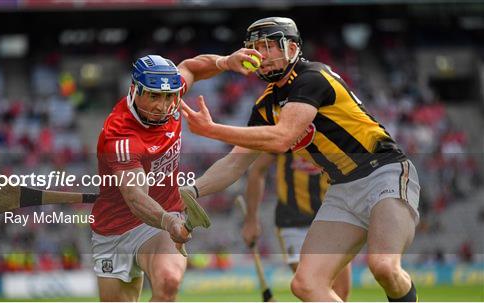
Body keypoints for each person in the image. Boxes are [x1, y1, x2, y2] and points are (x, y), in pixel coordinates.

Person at [180, 17, 420, 302]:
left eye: (269, 46)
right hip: (342, 189)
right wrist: (193, 191)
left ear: (292, 48)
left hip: (383, 172)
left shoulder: (312, 78)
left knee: (383, 266)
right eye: (256, 48)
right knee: (306, 284)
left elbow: (283, 137)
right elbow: (236, 163)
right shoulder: (266, 106)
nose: (261, 55)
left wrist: (212, 130)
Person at [91, 54, 255, 301]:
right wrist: (169, 222)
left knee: (168, 282)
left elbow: (189, 67)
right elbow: (135, 197)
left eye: (170, 96)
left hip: (159, 223)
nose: (163, 105)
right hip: (115, 229)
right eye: (154, 96)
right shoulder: (120, 136)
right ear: (135, 91)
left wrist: (224, 62)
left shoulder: (171, 97)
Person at [243, 152, 351, 300]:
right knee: (311, 286)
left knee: (340, 291)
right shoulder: (283, 134)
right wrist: (251, 220)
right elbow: (257, 170)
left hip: (331, 218)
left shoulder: (333, 133)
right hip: (293, 222)